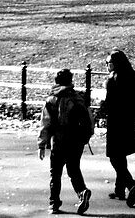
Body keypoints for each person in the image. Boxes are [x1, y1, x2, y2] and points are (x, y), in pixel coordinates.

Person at [38, 67, 93, 215]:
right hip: (76, 141)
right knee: (73, 169)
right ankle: (82, 191)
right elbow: (89, 119)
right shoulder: (78, 98)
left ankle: (54, 203)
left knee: (55, 173)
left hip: (59, 141)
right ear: (71, 81)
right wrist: (86, 137)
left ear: (56, 81)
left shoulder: (52, 99)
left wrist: (42, 144)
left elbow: (46, 123)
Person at [96, 50, 135, 207]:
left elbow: (108, 103)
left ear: (115, 63)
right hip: (131, 122)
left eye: (108, 62)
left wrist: (100, 110)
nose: (107, 65)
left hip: (116, 122)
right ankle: (119, 190)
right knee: (121, 155)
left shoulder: (113, 78)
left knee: (115, 157)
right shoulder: (134, 76)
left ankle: (131, 184)